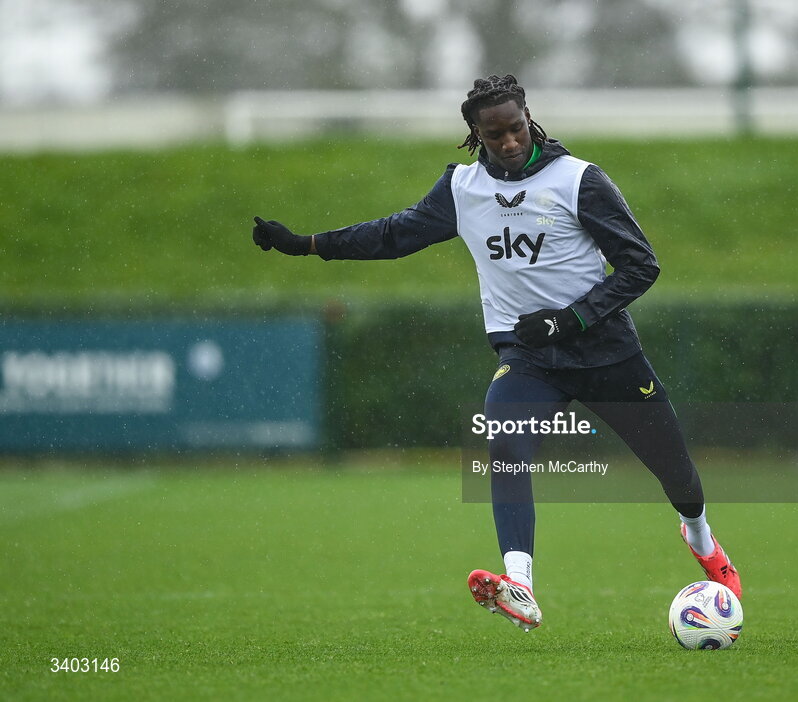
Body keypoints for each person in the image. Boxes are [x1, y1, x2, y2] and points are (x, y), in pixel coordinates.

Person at [252, 74, 741, 633]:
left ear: (529, 118)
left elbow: (640, 266)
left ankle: (700, 537)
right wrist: (308, 244)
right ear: (475, 135)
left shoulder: (579, 180)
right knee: (504, 438)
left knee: (678, 476)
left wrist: (568, 319)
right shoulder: (462, 190)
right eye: (494, 135)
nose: (508, 143)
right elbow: (392, 235)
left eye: (515, 129)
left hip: (607, 354)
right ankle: (521, 585)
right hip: (529, 358)